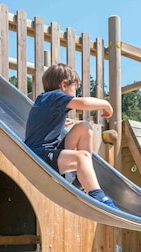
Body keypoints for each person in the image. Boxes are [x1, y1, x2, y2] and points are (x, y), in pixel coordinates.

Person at [24, 63, 118, 209]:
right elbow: (84, 103)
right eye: (75, 88)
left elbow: (42, 124)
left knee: (84, 127)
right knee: (82, 157)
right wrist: (106, 104)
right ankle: (98, 197)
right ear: (63, 85)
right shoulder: (54, 96)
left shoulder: (47, 101)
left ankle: (78, 177)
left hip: (50, 152)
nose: (75, 92)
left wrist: (60, 124)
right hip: (39, 157)